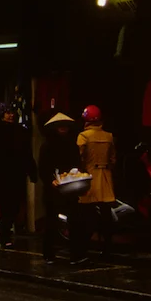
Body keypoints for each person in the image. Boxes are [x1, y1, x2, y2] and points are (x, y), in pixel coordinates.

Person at [0, 102, 37, 247]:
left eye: (11, 112)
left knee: (14, 205)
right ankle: (4, 233)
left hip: (17, 172)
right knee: (6, 204)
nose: (11, 115)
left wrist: (31, 171)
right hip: (3, 174)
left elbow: (26, 152)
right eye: (7, 112)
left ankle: (5, 230)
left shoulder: (20, 131)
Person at [72, 105, 118, 264]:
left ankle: (82, 250)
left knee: (87, 216)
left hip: (89, 178)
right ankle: (107, 250)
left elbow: (80, 158)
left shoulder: (83, 137)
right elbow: (113, 160)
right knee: (106, 216)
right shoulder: (109, 136)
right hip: (105, 177)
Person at [38, 113, 81, 263]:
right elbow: (42, 168)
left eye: (65, 126)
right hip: (53, 190)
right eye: (60, 126)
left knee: (75, 221)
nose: (63, 129)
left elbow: (77, 163)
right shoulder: (47, 146)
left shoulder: (72, 144)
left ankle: (76, 255)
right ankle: (49, 254)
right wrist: (51, 180)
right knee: (51, 222)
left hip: (70, 187)